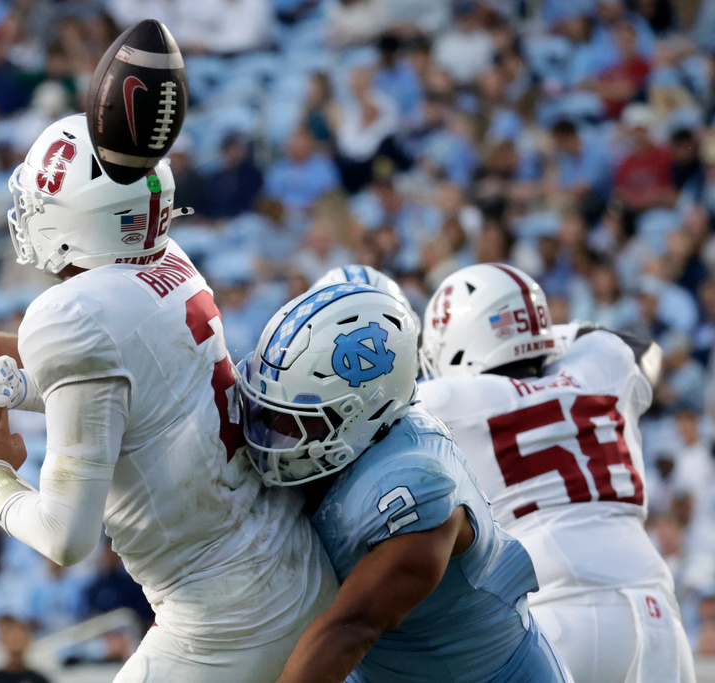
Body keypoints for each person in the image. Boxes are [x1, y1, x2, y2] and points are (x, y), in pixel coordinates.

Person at [0, 114, 337, 682]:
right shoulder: (166, 262)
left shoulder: (75, 313)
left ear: (83, 220)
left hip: (223, 616)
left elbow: (64, 537)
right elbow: (103, 378)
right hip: (286, 562)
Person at [237, 283, 571, 682]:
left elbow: (348, 631)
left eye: (293, 421)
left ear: (356, 415)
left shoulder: (417, 488)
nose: (273, 433)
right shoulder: (362, 444)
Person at [418, 263, 694, 683]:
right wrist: (554, 333)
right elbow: (644, 352)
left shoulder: (446, 402)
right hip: (656, 610)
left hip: (556, 614)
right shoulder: (603, 365)